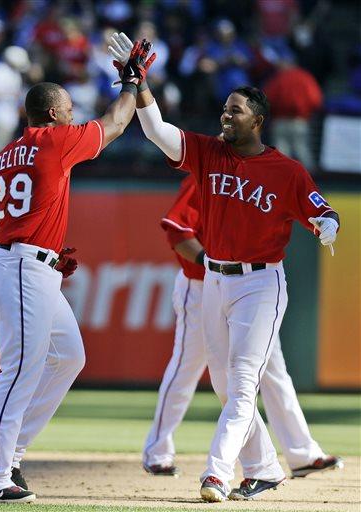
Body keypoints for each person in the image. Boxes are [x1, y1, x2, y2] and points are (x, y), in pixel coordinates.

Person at [108, 32, 340, 502]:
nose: (225, 115)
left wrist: (328, 225)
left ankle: (216, 473)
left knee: (241, 382)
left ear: (258, 120)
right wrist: (139, 83)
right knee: (221, 383)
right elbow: (156, 131)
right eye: (225, 108)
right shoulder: (209, 152)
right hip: (213, 279)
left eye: (235, 110)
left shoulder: (286, 171)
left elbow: (322, 211)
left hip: (260, 283)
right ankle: (266, 466)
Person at [0, 40, 156, 503]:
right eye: (69, 109)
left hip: (19, 260)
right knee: (18, 371)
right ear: (53, 115)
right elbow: (115, 121)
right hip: (21, 267)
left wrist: (39, 242)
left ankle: (6, 448)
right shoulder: (56, 141)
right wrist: (132, 82)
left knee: (69, 356)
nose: (73, 116)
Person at [143, 173, 342, 483]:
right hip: (201, 286)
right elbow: (178, 233)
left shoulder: (261, 175)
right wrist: (210, 262)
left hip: (250, 290)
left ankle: (302, 453)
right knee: (187, 366)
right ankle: (157, 451)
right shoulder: (205, 176)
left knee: (274, 371)